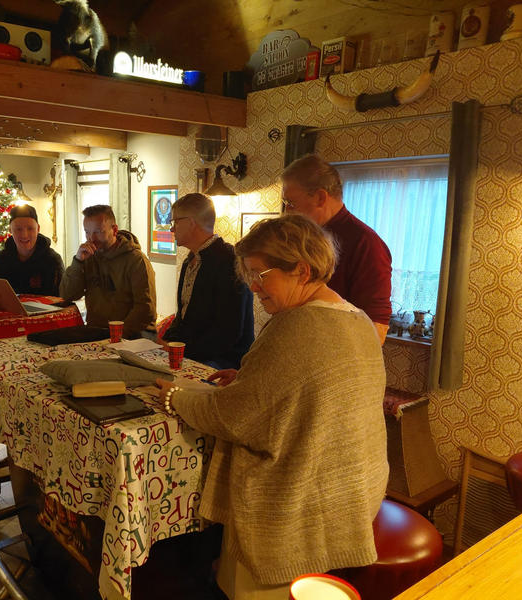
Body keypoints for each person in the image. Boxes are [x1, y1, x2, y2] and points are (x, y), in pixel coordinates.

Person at [155, 214, 388, 599]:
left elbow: (231, 417)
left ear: (302, 270)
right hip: (353, 490)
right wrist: (248, 376)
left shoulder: (295, 325)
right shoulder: (357, 318)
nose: (252, 285)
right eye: (249, 274)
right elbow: (310, 390)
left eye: (261, 274)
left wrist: (174, 396)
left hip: (298, 505)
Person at [281, 154, 392, 343]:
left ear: (320, 197)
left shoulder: (366, 243)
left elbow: (376, 330)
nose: (286, 212)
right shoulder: (304, 237)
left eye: (291, 204)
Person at [161, 193, 254, 369]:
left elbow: (228, 332)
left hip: (222, 362)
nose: (172, 229)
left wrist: (183, 351)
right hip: (192, 354)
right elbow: (183, 317)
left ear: (190, 223)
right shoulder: (190, 260)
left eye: (175, 222)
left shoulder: (230, 261)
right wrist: (166, 341)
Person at [60, 204, 156, 338]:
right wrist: (77, 261)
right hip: (97, 331)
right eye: (87, 232)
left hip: (134, 335)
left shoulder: (136, 260)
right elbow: (68, 295)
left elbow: (145, 309)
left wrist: (116, 334)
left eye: (98, 232)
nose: (91, 238)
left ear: (114, 230)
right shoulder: (88, 257)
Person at [0, 204, 64, 296]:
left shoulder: (52, 260)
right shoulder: (2, 259)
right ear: (10, 230)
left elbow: (60, 297)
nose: (24, 235)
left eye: (30, 229)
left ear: (38, 229)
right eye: (18, 229)